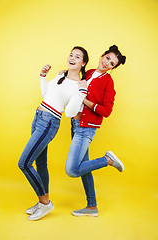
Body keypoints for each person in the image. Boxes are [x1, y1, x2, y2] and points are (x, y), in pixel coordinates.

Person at [18, 46, 89, 220]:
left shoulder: (79, 85)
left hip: (49, 122)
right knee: (41, 164)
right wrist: (43, 77)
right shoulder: (60, 75)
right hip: (39, 116)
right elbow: (46, 95)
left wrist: (82, 93)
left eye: (77, 56)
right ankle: (43, 201)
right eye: (71, 54)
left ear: (83, 63)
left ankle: (45, 203)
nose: (72, 58)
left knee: (24, 163)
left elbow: (70, 113)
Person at [65, 45, 126, 217]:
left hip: (86, 128)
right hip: (75, 124)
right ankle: (92, 207)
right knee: (84, 168)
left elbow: (106, 111)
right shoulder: (89, 72)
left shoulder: (108, 82)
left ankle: (107, 160)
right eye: (107, 58)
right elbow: (74, 83)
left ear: (113, 68)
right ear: (102, 55)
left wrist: (86, 101)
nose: (107, 63)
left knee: (72, 169)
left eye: (112, 63)